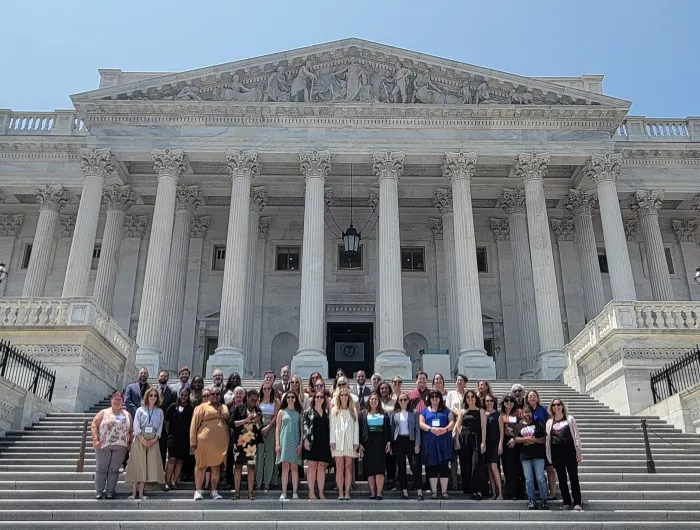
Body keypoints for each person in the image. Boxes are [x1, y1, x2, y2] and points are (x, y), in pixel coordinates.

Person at [190, 385, 229, 500]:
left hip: (219, 443)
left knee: (216, 467)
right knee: (201, 466)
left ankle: (214, 491)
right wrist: (192, 441)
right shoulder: (202, 407)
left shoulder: (224, 407)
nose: (215, 396)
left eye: (217, 394)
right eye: (213, 394)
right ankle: (198, 491)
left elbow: (227, 420)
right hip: (203, 442)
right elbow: (194, 424)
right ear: (209, 396)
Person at [124, 387, 164, 499]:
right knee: (138, 464)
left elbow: (160, 426)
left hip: (153, 439)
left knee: (147, 466)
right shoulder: (140, 410)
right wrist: (141, 439)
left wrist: (155, 439)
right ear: (147, 396)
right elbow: (136, 425)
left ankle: (141, 493)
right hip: (140, 437)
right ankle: (133, 493)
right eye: (151, 395)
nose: (153, 398)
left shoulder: (159, 411)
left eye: (155, 396)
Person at [91, 391, 132, 500]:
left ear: (123, 401)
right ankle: (99, 491)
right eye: (115, 399)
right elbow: (94, 425)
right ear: (111, 400)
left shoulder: (127, 414)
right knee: (101, 468)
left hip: (121, 446)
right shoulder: (104, 412)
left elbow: (131, 430)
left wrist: (130, 443)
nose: (117, 401)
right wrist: (95, 440)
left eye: (120, 399)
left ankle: (110, 491)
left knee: (114, 469)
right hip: (104, 444)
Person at [546, 399, 583, 511]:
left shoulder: (569, 419)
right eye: (554, 405)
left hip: (570, 452)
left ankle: (577, 502)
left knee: (573, 477)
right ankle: (566, 502)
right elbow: (548, 440)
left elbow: (576, 435)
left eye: (559, 404)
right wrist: (549, 456)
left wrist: (578, 450)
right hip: (557, 454)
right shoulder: (549, 422)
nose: (556, 406)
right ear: (551, 407)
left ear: (562, 406)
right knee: (561, 479)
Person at [419, 390, 454, 499]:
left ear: (440, 398)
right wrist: (430, 429)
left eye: (437, 396)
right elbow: (421, 423)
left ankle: (444, 492)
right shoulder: (424, 411)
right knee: (431, 467)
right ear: (429, 399)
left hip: (443, 442)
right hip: (430, 442)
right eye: (432, 396)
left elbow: (452, 422)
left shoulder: (446, 410)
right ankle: (434, 492)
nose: (434, 398)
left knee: (443, 466)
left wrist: (445, 429)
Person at [511, 405, 548, 510]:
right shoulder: (518, 426)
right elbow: (516, 438)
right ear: (522, 413)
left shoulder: (539, 424)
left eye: (529, 412)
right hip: (525, 456)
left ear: (533, 414)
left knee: (540, 478)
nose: (527, 414)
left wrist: (534, 440)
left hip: (538, 455)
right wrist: (527, 439)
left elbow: (543, 439)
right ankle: (532, 501)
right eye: (525, 412)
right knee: (529, 479)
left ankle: (543, 500)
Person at [454, 390, 488, 499]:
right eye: (468, 397)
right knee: (466, 465)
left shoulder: (481, 411)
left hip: (476, 439)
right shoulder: (462, 411)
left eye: (472, 397)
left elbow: (483, 428)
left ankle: (477, 490)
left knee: (476, 464)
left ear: (475, 398)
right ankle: (469, 489)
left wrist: (483, 442)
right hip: (464, 439)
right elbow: (458, 427)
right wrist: (457, 441)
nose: (470, 399)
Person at [390, 392, 423, 500]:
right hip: (399, 441)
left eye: (405, 400)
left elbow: (417, 429)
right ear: (398, 402)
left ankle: (419, 491)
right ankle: (404, 491)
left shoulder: (414, 413)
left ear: (408, 401)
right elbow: (392, 429)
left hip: (410, 440)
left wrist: (417, 443)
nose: (403, 402)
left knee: (414, 465)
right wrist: (391, 444)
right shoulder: (394, 414)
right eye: (401, 400)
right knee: (401, 467)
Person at [231, 389, 262, 499]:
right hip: (240, 441)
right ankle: (236, 493)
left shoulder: (258, 411)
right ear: (247, 397)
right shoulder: (239, 409)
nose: (254, 402)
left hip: (251, 444)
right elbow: (232, 423)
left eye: (256, 400)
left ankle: (250, 493)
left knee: (251, 467)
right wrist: (245, 420)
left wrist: (258, 421)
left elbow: (259, 428)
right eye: (252, 399)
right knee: (238, 466)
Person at [358, 393, 391, 499]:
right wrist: (359, 444)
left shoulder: (384, 414)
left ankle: (379, 492)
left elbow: (388, 430)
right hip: (368, 444)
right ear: (368, 401)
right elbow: (360, 430)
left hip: (380, 444)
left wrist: (388, 442)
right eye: (371, 399)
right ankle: (372, 492)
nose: (373, 401)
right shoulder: (363, 414)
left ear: (378, 401)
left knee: (379, 469)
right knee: (370, 469)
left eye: (375, 399)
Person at [330, 388, 359, 500]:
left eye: (346, 395)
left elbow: (356, 428)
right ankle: (340, 493)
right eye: (342, 395)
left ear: (348, 397)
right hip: (337, 442)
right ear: (339, 397)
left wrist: (356, 442)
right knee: (339, 467)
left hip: (350, 442)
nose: (344, 397)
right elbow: (332, 427)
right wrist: (332, 441)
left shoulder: (353, 410)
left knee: (348, 467)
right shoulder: (334, 411)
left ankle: (347, 492)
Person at [527, 389, 556, 500]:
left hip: (544, 441)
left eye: (534, 396)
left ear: (537, 398)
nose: (532, 398)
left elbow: (550, 421)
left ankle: (552, 491)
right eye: (530, 397)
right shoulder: (526, 410)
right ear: (527, 399)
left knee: (549, 467)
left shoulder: (543, 409)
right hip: (532, 443)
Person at [303, 389, 332, 499]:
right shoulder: (308, 412)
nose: (319, 399)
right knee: (311, 467)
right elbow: (305, 427)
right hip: (312, 442)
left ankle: (320, 492)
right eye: (317, 397)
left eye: (321, 397)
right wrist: (305, 440)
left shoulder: (327, 412)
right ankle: (311, 492)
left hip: (324, 442)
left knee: (321, 467)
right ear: (313, 399)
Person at [164, 387, 193, 491]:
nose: (184, 397)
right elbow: (167, 422)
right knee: (172, 459)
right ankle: (167, 482)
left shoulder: (191, 409)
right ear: (179, 395)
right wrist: (170, 434)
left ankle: (174, 482)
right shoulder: (172, 407)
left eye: (186, 395)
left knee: (180, 461)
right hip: (173, 438)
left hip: (185, 439)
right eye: (182, 395)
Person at [276, 391, 304, 500]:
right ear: (286, 399)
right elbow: (277, 429)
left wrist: (301, 443)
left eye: (292, 397)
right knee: (285, 467)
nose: (290, 399)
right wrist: (277, 443)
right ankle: (283, 492)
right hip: (284, 441)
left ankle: (295, 492)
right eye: (288, 397)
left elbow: (302, 430)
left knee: (294, 467)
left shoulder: (299, 413)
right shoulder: (281, 412)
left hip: (295, 441)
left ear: (295, 399)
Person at [256, 380, 280, 491]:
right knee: (259, 455)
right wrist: (261, 426)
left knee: (270, 455)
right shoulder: (258, 401)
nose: (266, 390)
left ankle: (267, 482)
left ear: (272, 390)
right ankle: (258, 481)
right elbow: (255, 415)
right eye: (264, 388)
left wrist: (267, 427)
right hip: (259, 429)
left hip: (271, 428)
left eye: (268, 388)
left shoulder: (276, 401)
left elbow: (276, 416)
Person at [446, 374, 467, 490]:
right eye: (457, 380)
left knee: (464, 457)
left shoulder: (467, 395)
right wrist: (459, 413)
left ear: (465, 383)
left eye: (461, 380)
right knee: (453, 457)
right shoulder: (450, 394)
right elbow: (448, 407)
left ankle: (465, 480)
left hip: (465, 427)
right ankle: (454, 481)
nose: (458, 382)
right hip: (453, 427)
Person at [501, 393, 523, 500]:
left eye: (511, 401)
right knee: (506, 467)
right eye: (507, 401)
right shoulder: (502, 414)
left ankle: (514, 492)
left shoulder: (517, 414)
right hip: (504, 441)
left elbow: (521, 427)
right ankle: (508, 491)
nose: (509, 403)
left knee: (513, 467)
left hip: (514, 442)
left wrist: (514, 438)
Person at [484, 394, 504, 499]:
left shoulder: (498, 415)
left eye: (491, 401)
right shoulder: (483, 414)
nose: (489, 403)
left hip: (495, 443)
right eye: (487, 401)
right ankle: (493, 492)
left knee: (494, 467)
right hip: (486, 443)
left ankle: (500, 492)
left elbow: (501, 432)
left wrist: (500, 444)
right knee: (489, 469)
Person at [155, 370, 176, 468]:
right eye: (161, 376)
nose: (163, 377)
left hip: (165, 424)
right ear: (158, 377)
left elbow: (173, 408)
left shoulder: (172, 392)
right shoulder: (152, 391)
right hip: (152, 423)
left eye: (165, 376)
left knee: (162, 447)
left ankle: (160, 469)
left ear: (168, 378)